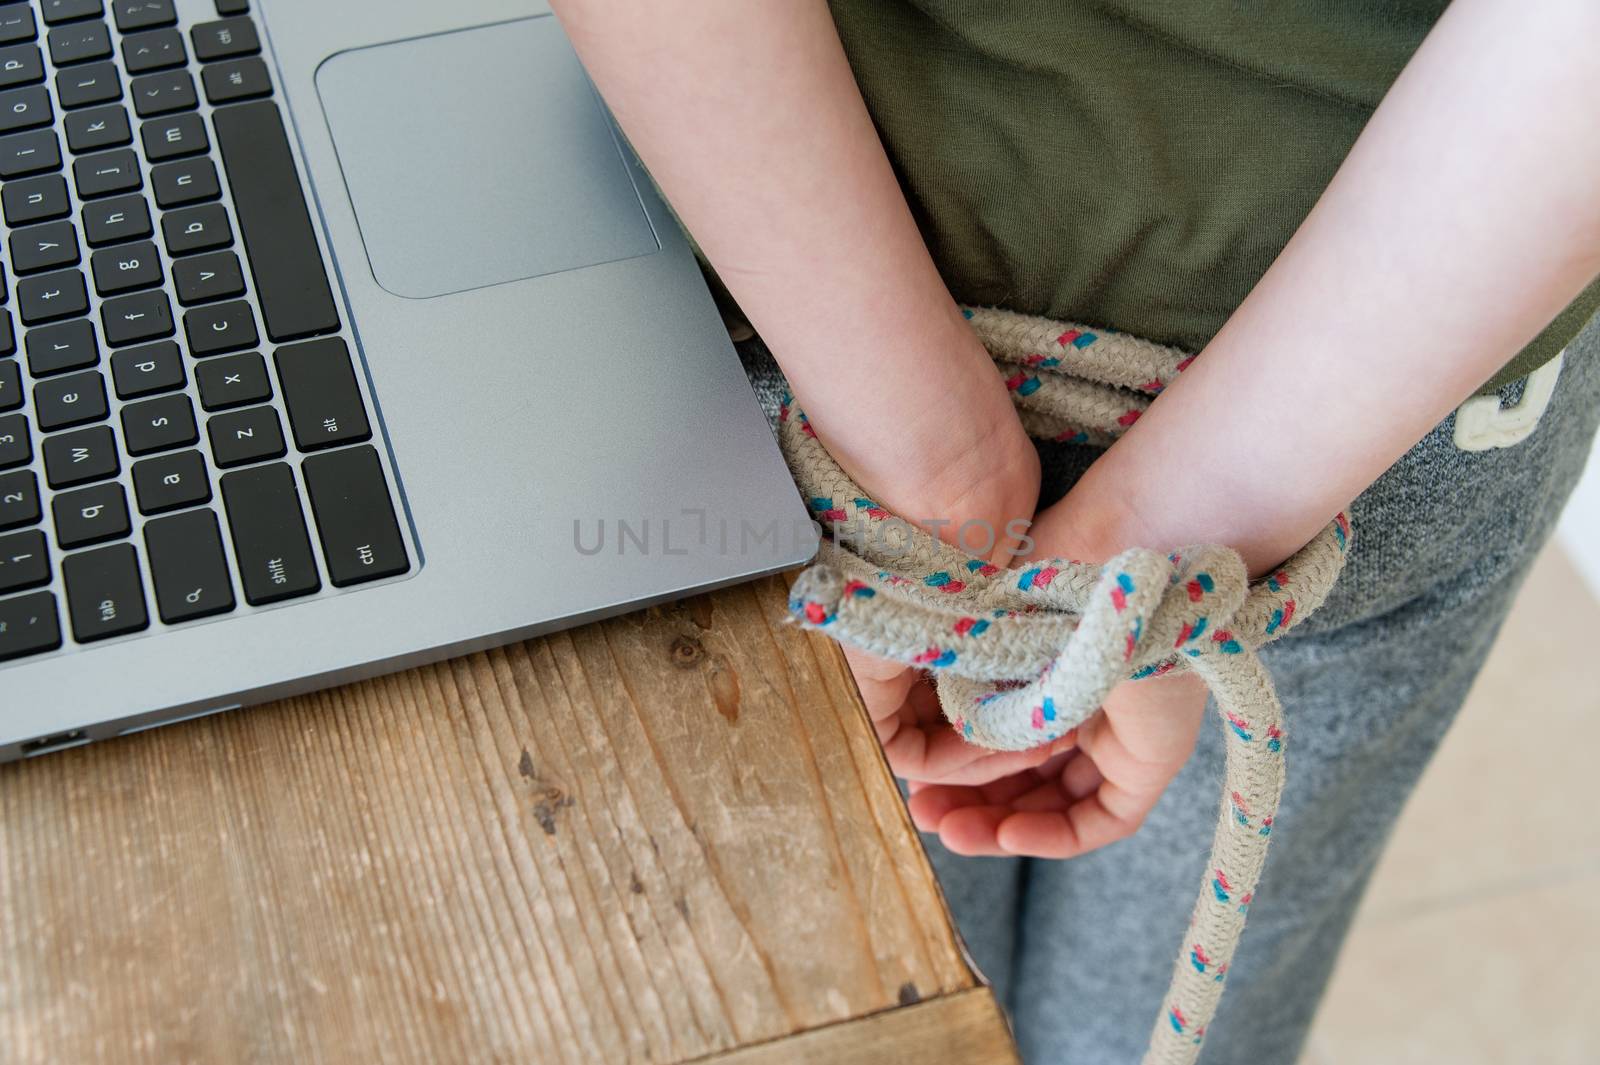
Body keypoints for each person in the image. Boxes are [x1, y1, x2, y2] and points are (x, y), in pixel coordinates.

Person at [550, 2, 1600, 1060]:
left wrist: (920, 460)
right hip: (1383, 378)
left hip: (810, 308)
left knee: (859, 1008)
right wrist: (1166, 540)